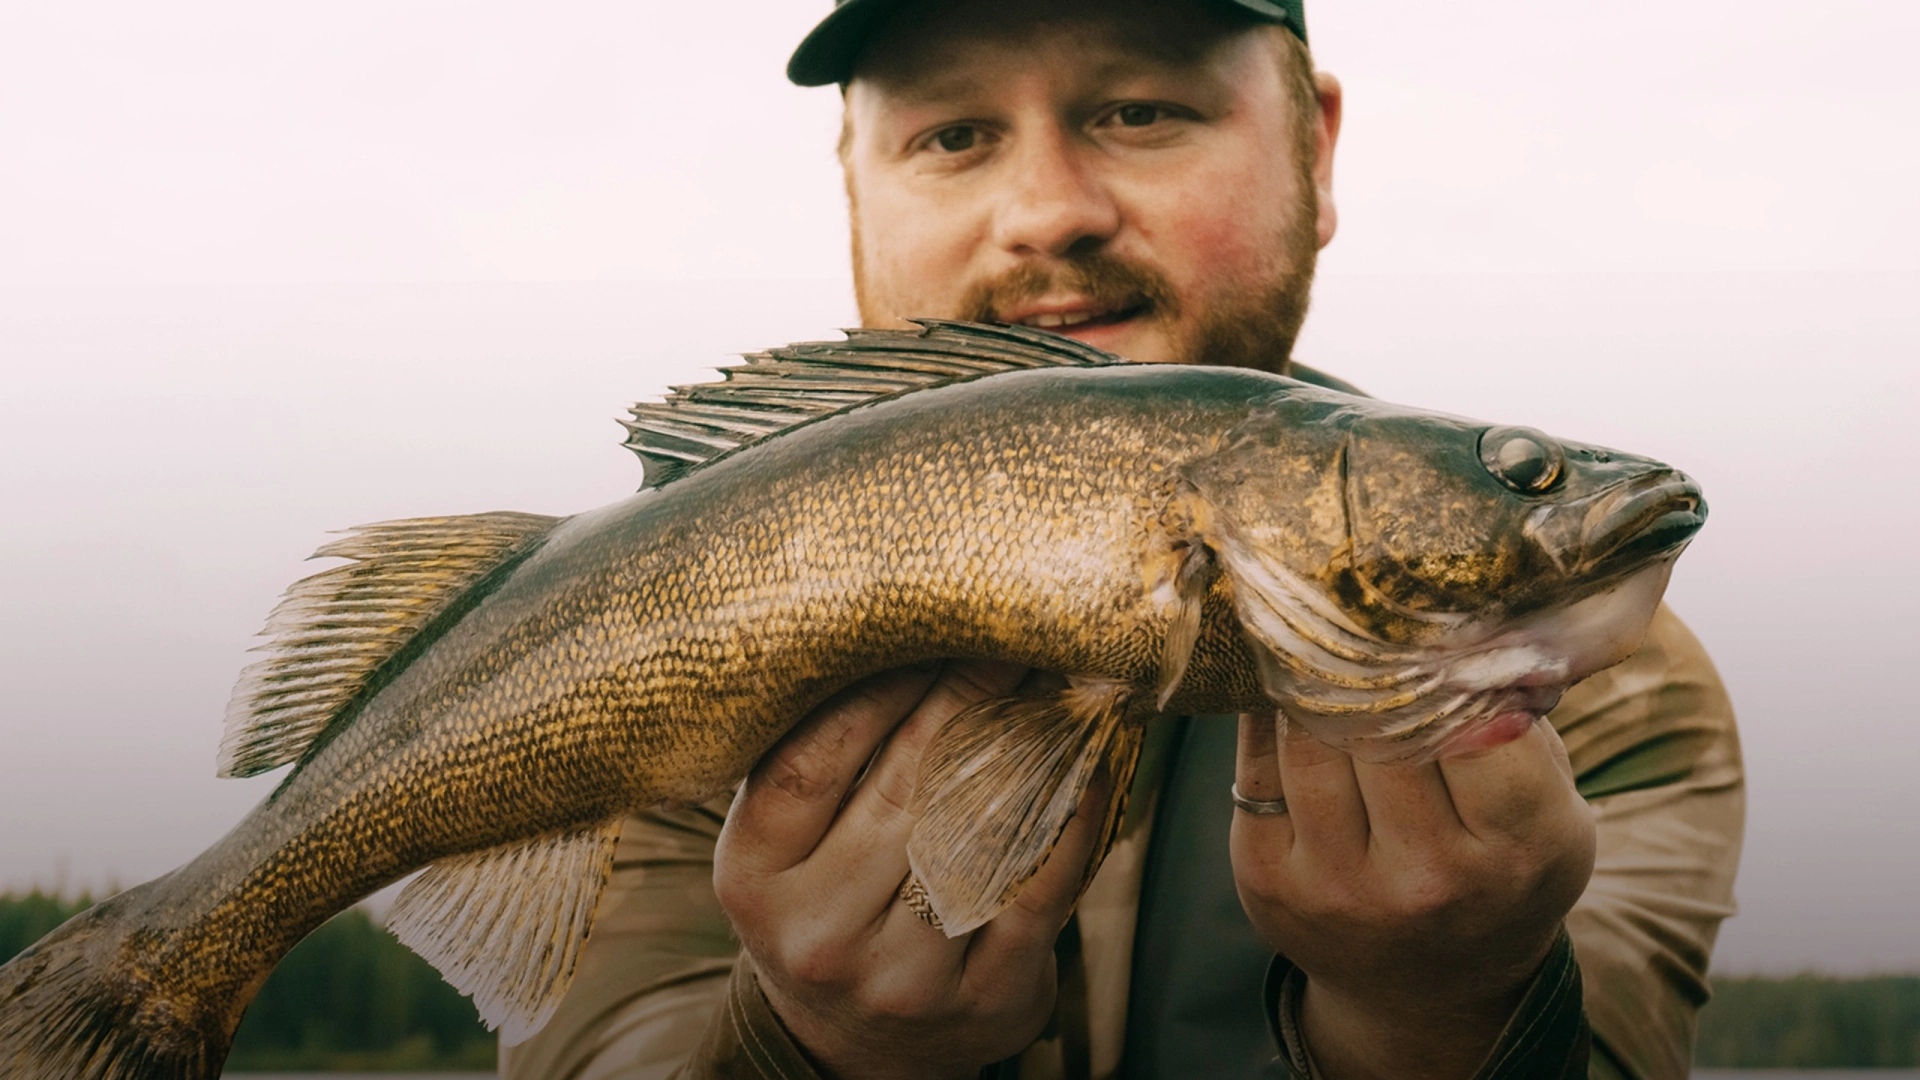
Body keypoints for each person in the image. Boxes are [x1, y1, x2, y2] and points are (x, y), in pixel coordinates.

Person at [500, 0, 1744, 1076]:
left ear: (1313, 144)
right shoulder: (615, 646)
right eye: (952, 134)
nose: (1047, 212)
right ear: (853, 185)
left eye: (1140, 111)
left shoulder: (1593, 688)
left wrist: (1436, 1018)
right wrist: (815, 1056)